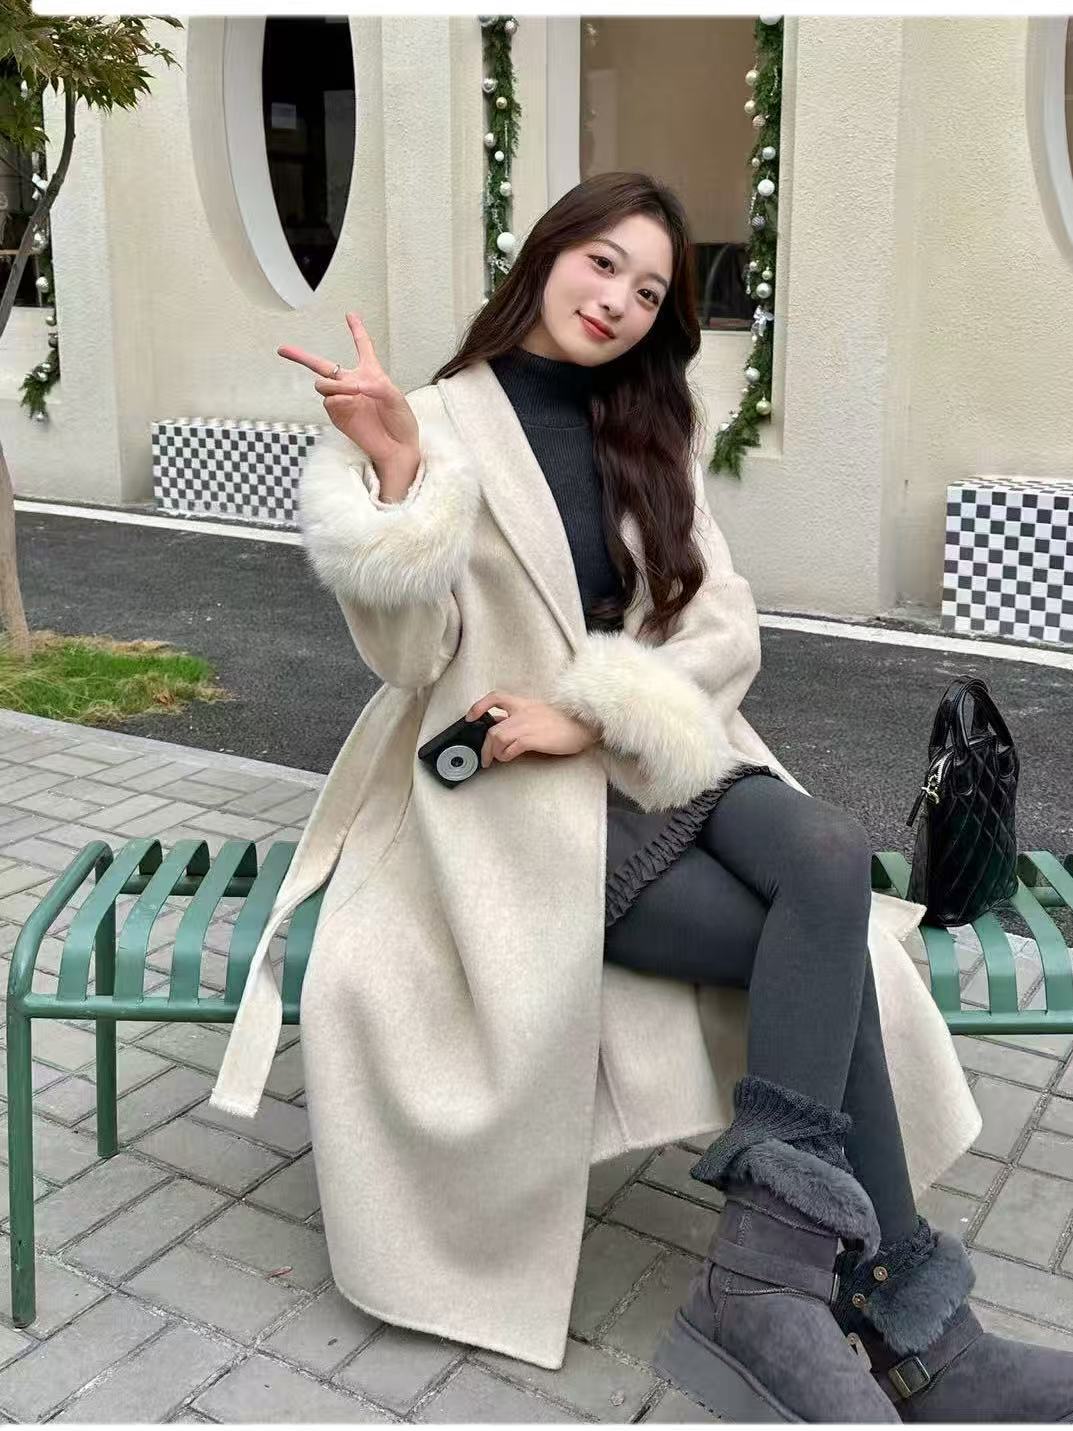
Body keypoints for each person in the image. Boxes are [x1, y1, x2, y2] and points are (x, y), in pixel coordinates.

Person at [252, 170, 1072, 1422]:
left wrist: (590, 710)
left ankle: (763, 1280)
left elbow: (723, 626)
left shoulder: (648, 427)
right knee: (831, 948)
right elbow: (410, 663)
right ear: (547, 254)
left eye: (647, 292)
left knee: (826, 851)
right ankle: (920, 1332)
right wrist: (402, 482)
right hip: (518, 809)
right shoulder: (428, 423)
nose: (617, 302)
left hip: (654, 749)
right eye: (602, 264)